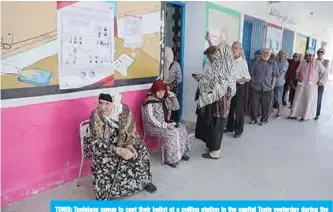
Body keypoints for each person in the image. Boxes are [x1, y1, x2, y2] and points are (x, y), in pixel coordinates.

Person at [84, 93, 157, 200]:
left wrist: (129, 145)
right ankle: (107, 192)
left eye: (107, 104)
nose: (102, 107)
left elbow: (131, 130)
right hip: (105, 146)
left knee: (141, 148)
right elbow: (95, 141)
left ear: (115, 103)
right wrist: (117, 150)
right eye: (100, 103)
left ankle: (144, 181)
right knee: (102, 159)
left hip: (123, 142)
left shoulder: (124, 112)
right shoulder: (96, 116)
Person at [193, 43, 236, 160]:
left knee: (217, 126)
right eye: (208, 57)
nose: (210, 59)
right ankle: (212, 146)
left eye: (211, 56)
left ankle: (215, 151)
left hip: (220, 101)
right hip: (213, 101)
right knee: (211, 124)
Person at [142, 80, 191, 168]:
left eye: (163, 91)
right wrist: (166, 125)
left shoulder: (165, 99)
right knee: (172, 133)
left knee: (182, 128)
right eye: (159, 91)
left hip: (165, 123)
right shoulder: (149, 102)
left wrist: (171, 94)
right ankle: (171, 159)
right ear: (154, 90)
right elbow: (150, 119)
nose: (161, 93)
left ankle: (181, 152)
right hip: (152, 127)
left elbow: (176, 107)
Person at [288, 49, 328, 122]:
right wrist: (298, 76)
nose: (309, 57)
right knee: (297, 100)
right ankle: (294, 114)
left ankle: (305, 116)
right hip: (301, 85)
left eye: (310, 56)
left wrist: (320, 82)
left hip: (311, 87)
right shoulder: (303, 62)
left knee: (307, 101)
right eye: (307, 55)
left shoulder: (317, 63)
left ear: (313, 56)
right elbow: (298, 71)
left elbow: (325, 73)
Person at [225, 42, 251, 138]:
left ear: (240, 50)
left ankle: (239, 130)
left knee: (238, 110)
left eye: (236, 48)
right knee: (230, 108)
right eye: (233, 48)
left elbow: (247, 78)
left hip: (239, 87)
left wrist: (236, 80)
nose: (234, 50)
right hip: (229, 86)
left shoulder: (242, 62)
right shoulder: (229, 61)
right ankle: (229, 127)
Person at [250, 48, 278, 125]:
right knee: (254, 105)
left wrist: (272, 85)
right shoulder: (256, 63)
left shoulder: (273, 64)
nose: (265, 54)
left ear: (269, 54)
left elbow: (274, 75)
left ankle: (264, 120)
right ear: (262, 54)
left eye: (267, 53)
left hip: (268, 88)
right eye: (264, 53)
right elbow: (252, 73)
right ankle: (254, 119)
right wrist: (253, 82)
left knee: (266, 106)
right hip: (256, 87)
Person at [245, 50, 262, 116]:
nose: (259, 56)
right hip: (249, 82)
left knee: (257, 99)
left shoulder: (262, 63)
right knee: (248, 97)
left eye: (260, 55)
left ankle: (257, 112)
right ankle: (247, 111)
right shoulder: (250, 61)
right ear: (255, 55)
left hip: (258, 84)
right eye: (258, 54)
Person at [315, 48, 330, 120]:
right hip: (313, 83)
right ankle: (311, 112)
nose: (320, 53)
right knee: (312, 98)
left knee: (319, 98)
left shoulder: (326, 62)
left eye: (321, 52)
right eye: (318, 52)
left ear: (324, 53)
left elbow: (326, 74)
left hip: (320, 83)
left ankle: (317, 113)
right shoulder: (314, 60)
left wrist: (321, 82)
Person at [274, 50, 289, 119]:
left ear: (285, 55)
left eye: (283, 53)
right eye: (280, 53)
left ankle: (279, 113)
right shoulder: (276, 61)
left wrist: (273, 77)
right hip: (272, 82)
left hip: (279, 83)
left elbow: (280, 73)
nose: (282, 54)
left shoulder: (286, 63)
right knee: (272, 97)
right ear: (278, 54)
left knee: (278, 98)